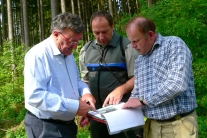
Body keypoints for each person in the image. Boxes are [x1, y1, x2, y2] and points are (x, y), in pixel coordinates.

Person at [122, 16, 198, 138]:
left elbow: (177, 84)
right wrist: (122, 111)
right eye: (131, 41)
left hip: (179, 125)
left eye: (135, 41)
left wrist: (142, 101)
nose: (132, 46)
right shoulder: (140, 60)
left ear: (150, 35)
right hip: (152, 127)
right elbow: (137, 92)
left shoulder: (174, 45)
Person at [23, 12, 96, 138]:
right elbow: (35, 95)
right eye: (72, 42)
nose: (75, 47)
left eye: (78, 42)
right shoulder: (38, 55)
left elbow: (76, 81)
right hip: (45, 126)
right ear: (56, 34)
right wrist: (75, 106)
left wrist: (85, 93)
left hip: (67, 126)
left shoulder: (68, 53)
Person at [79, 10, 139, 138]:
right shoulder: (86, 50)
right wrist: (85, 105)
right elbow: (84, 81)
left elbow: (138, 78)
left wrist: (121, 89)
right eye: (96, 33)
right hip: (96, 114)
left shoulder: (127, 47)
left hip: (122, 114)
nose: (101, 37)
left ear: (112, 26)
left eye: (105, 32)